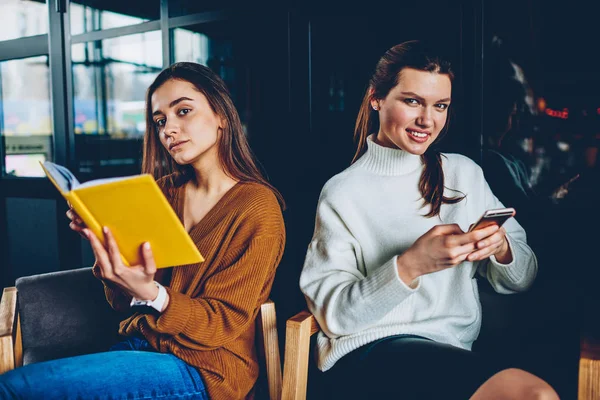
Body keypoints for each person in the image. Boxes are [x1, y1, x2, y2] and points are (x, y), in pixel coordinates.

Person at [0, 62, 286, 400]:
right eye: (161, 120)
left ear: (222, 116)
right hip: (139, 345)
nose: (169, 129)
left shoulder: (257, 207)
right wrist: (104, 247)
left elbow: (222, 324)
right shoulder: (162, 193)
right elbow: (120, 304)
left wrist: (155, 295)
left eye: (183, 111)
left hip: (206, 369)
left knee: (14, 388)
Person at [299, 40, 558, 399]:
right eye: (412, 101)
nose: (427, 119)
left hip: (450, 351)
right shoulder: (342, 192)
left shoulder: (464, 174)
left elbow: (524, 278)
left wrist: (500, 248)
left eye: (440, 106)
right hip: (370, 351)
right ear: (376, 98)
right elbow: (335, 316)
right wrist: (409, 266)